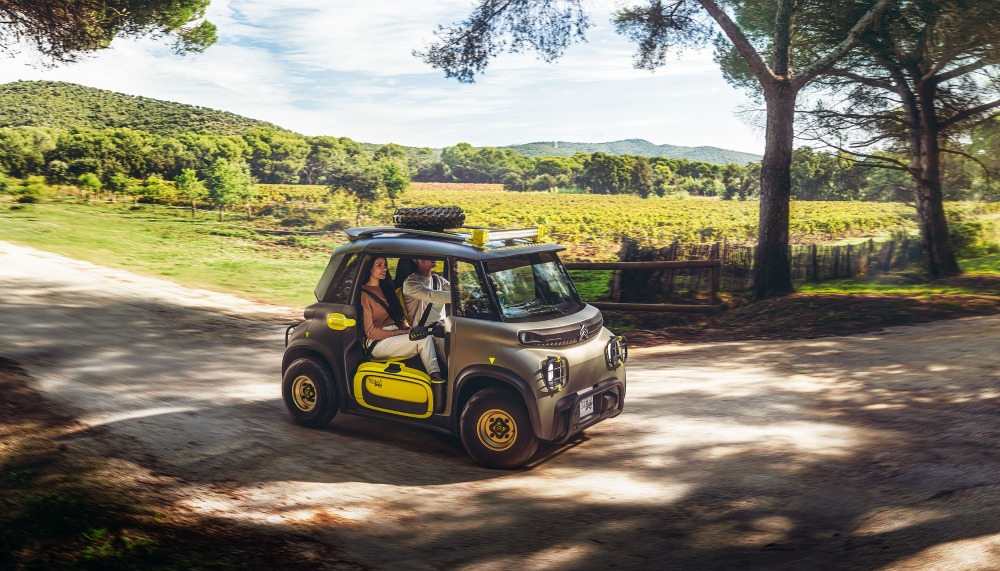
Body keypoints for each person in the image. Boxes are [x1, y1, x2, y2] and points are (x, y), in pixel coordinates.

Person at [359, 257, 442, 381]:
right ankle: (437, 380)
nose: (384, 268)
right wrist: (401, 332)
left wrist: (409, 329)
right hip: (378, 343)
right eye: (379, 265)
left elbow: (400, 319)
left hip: (395, 336)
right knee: (424, 340)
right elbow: (370, 332)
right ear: (370, 268)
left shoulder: (387, 289)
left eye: (385, 265)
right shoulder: (364, 294)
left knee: (429, 333)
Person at [402, 258, 451, 358]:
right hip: (425, 333)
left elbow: (455, 289)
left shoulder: (438, 279)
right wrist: (462, 295)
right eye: (429, 256)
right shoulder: (410, 283)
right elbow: (431, 295)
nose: (435, 258)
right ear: (418, 259)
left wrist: (474, 291)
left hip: (442, 327)